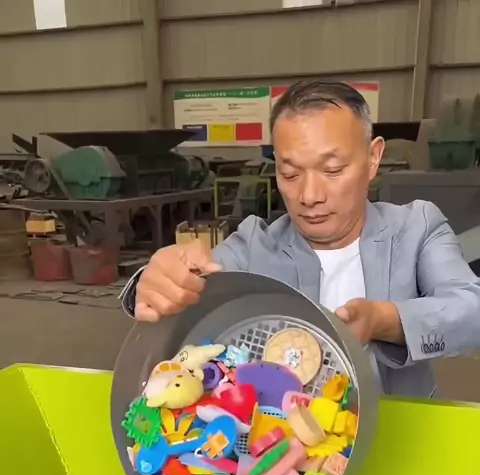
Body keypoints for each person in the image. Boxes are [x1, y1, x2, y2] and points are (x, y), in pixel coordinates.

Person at [120, 79, 480, 398]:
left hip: (402, 429)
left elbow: (471, 310)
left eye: (332, 170)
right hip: (282, 443)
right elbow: (191, 290)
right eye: (290, 173)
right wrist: (156, 282)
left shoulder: (416, 228)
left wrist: (383, 320)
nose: (309, 196)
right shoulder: (254, 245)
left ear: (373, 158)